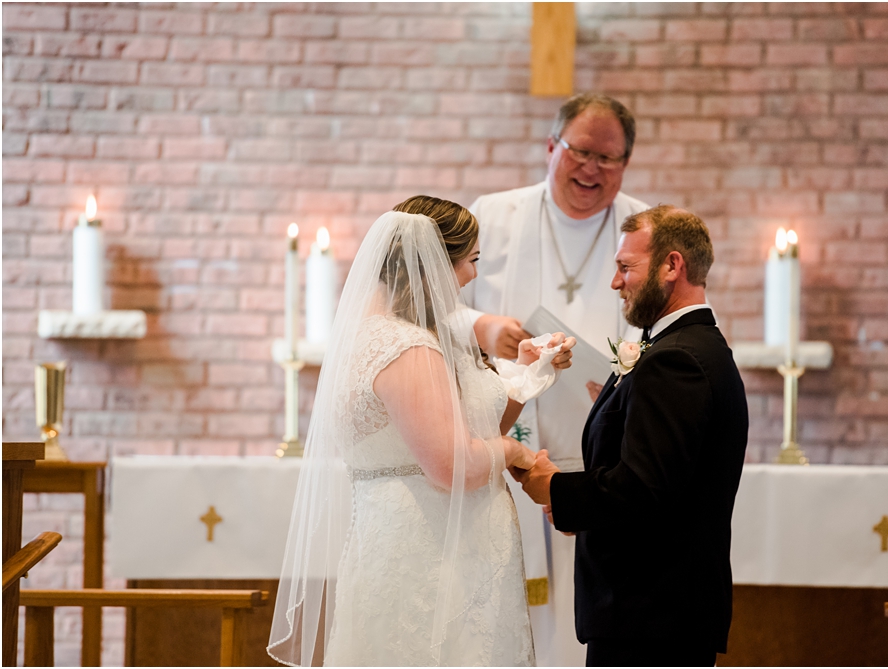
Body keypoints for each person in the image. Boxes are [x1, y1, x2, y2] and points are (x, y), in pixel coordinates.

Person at [268, 196, 575, 666]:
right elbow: (452, 464)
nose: (473, 276)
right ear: (434, 262)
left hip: (415, 540)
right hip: (434, 556)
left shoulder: (381, 335)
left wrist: (526, 373)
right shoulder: (407, 347)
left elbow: (468, 430)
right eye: (470, 261)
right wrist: (514, 451)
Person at [513, 205, 749, 667]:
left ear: (671, 266)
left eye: (626, 268)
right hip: (657, 613)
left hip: (650, 615)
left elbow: (643, 487)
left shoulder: (674, 360)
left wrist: (555, 488)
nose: (615, 282)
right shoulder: (691, 349)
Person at [463, 93, 650, 666]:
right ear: (552, 147)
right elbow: (439, 310)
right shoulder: (492, 217)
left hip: (597, 458)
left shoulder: (644, 229)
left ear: (626, 165)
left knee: (582, 614)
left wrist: (625, 380)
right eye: (581, 151)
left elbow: (662, 329)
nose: (592, 168)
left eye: (609, 159)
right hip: (496, 441)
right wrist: (485, 326)